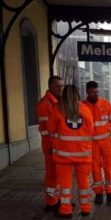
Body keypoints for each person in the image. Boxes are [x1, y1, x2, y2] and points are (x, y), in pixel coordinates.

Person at [47, 85, 94, 218]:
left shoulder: (57, 109)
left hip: (63, 156)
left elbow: (50, 130)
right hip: (83, 155)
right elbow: (91, 131)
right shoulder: (85, 110)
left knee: (65, 185)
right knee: (84, 183)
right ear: (78, 94)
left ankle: (66, 209)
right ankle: (86, 208)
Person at [82, 81, 111, 204]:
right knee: (95, 169)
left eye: (97, 91)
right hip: (91, 144)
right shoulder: (83, 107)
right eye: (93, 92)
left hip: (106, 143)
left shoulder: (106, 105)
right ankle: (99, 193)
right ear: (87, 92)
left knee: (109, 166)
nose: (96, 94)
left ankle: (110, 192)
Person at [36, 75, 63, 212]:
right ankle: (51, 202)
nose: (60, 88)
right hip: (51, 146)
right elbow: (49, 128)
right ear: (50, 86)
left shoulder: (55, 102)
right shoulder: (45, 104)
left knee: (57, 175)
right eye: (57, 85)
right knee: (52, 175)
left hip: (57, 146)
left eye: (61, 86)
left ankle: (56, 200)